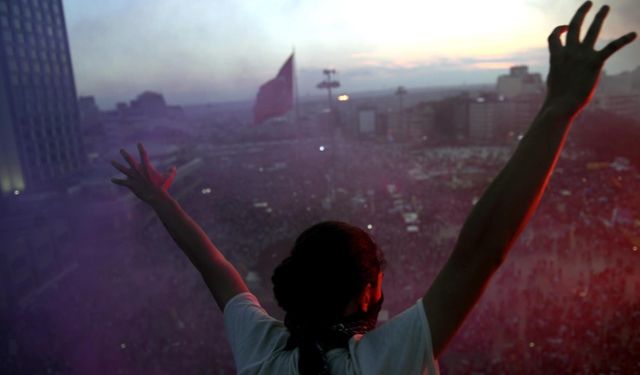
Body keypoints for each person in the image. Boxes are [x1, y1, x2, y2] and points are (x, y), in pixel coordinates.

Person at [110, 2, 636, 374]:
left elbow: (216, 269)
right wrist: (558, 109)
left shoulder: (262, 353)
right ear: (367, 293)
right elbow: (482, 248)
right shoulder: (388, 359)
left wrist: (161, 201)